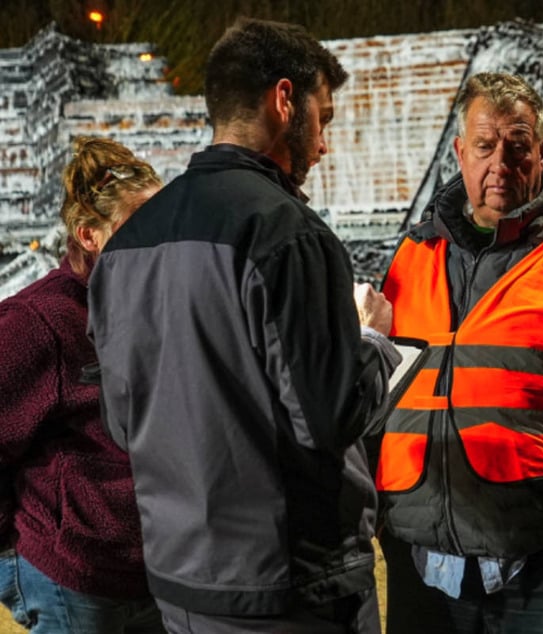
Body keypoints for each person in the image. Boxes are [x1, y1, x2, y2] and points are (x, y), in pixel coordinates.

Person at [86, 18, 400, 634]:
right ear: (285, 101)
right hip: (286, 589)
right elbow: (327, 418)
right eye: (324, 118)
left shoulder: (126, 246)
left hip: (181, 586)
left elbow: (122, 425)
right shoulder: (287, 234)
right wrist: (372, 343)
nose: (324, 143)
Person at [373, 71, 543, 633]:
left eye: (517, 147)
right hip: (418, 549)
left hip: (536, 554)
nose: (500, 165)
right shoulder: (413, 252)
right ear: (461, 152)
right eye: (485, 148)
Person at [0, 136, 163, 632]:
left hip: (156, 571)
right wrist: (15, 552)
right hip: (74, 582)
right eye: (142, 227)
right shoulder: (36, 321)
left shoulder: (157, 306)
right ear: (89, 234)